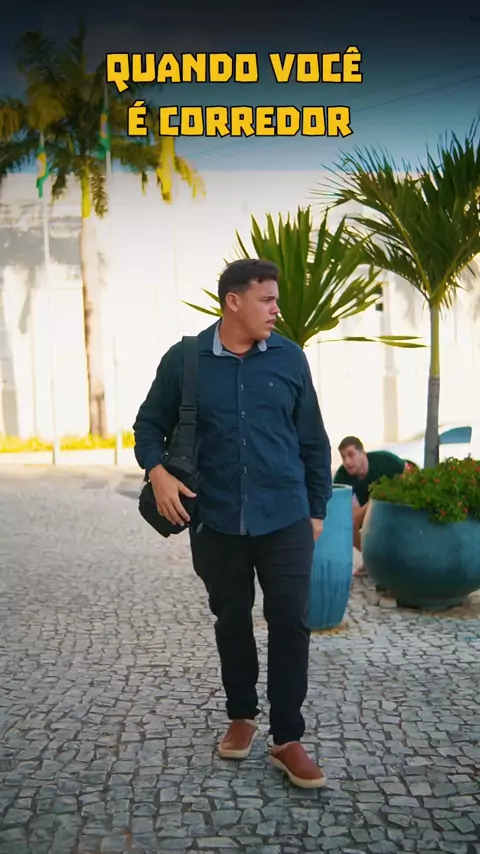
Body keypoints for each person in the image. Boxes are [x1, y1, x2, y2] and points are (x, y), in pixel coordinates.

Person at [133, 258, 333, 789]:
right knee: (232, 619)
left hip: (285, 516)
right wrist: (156, 472)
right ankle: (241, 714)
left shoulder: (290, 358)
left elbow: (313, 440)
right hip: (217, 519)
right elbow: (147, 425)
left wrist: (316, 512)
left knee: (290, 622)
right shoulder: (185, 360)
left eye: (276, 300)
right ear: (234, 302)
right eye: (267, 300)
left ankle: (288, 738)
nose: (276, 309)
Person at [333, 436, 405, 575]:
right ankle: (371, 560)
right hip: (369, 507)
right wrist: (374, 500)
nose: (347, 462)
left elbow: (410, 475)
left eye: (351, 455)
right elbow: (354, 517)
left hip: (395, 505)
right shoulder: (342, 478)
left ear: (363, 453)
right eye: (343, 457)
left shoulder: (385, 460)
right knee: (347, 524)